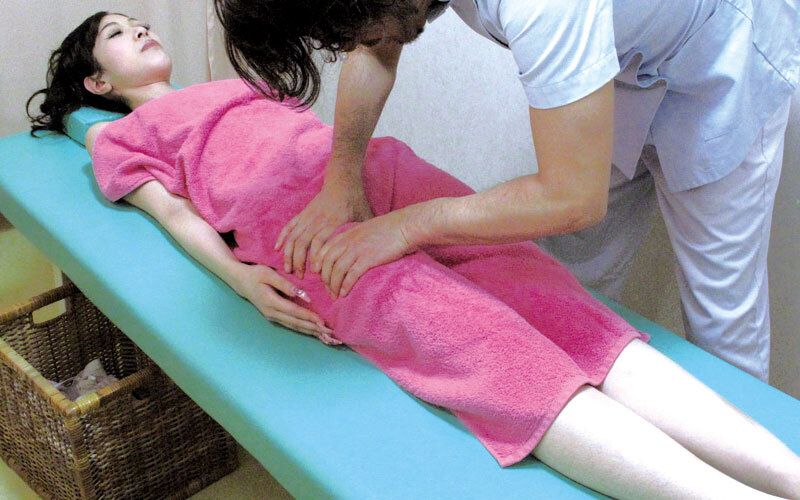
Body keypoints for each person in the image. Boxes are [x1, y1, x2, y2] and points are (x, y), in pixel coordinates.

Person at [27, 12, 800, 500]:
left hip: (378, 170)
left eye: (136, 21)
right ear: (97, 80)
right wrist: (242, 279)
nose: (140, 30)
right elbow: (171, 212)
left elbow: (375, 54)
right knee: (473, 337)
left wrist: (363, 191)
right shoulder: (118, 134)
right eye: (117, 35)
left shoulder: (236, 85)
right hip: (300, 230)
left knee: (543, 286)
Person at [213, 0, 799, 383]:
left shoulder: (543, 5)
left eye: (357, 29)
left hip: (721, 60)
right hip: (622, 65)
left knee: (722, 318)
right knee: (570, 278)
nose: (359, 42)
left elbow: (573, 199)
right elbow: (376, 45)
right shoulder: (384, 7)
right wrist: (342, 178)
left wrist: (406, 225)